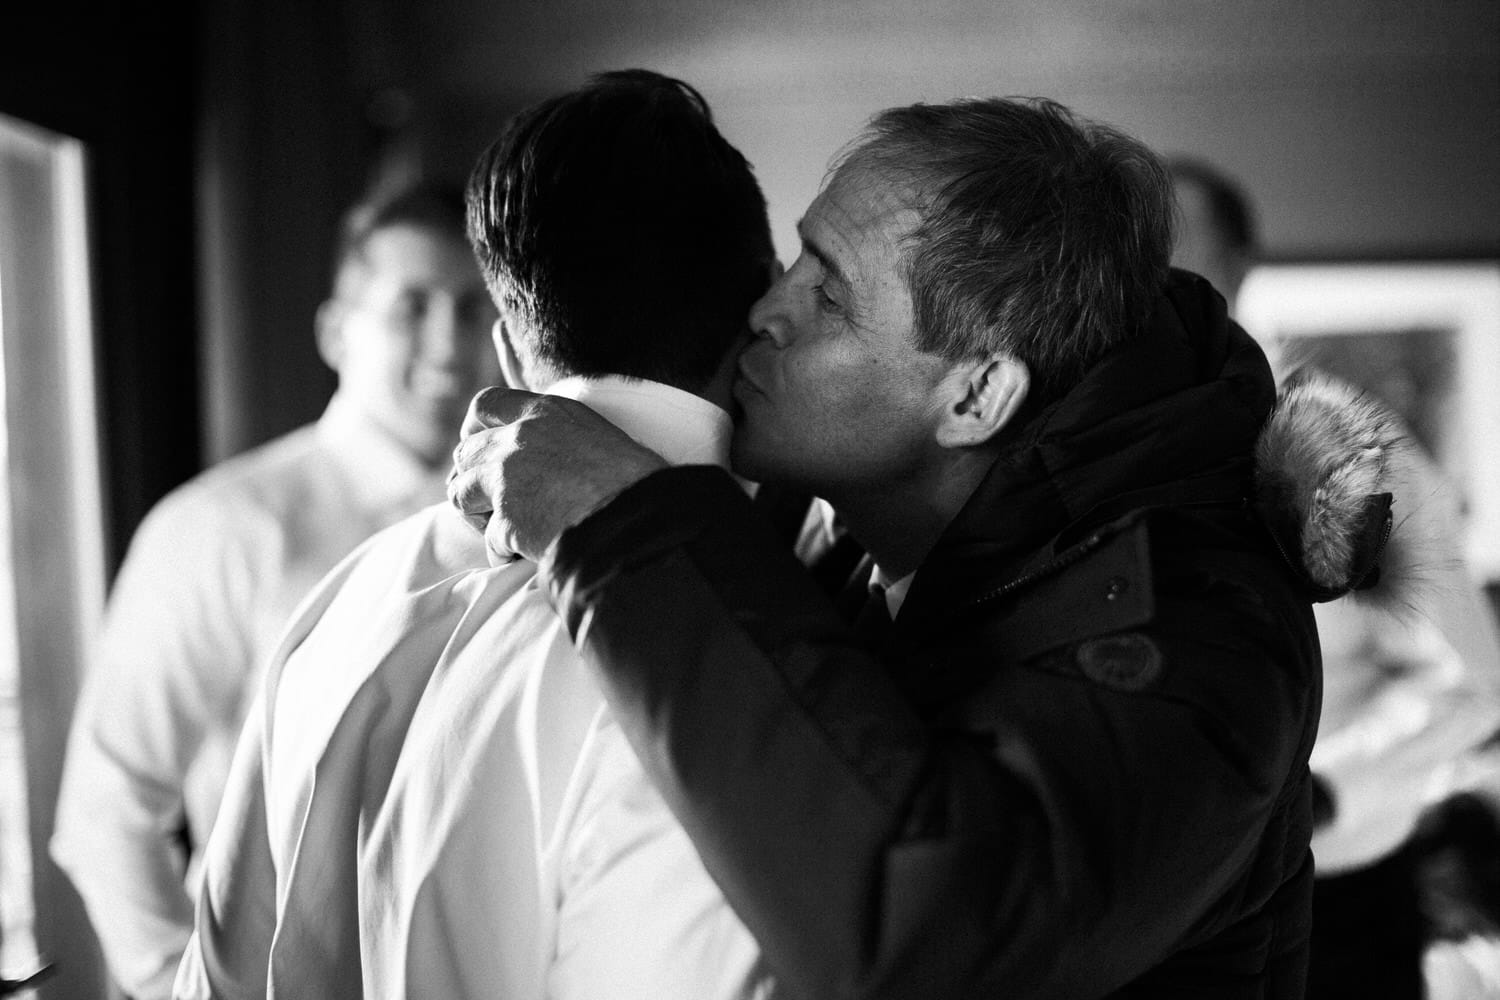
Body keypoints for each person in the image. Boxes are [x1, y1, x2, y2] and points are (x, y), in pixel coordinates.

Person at [448, 97, 1401, 997]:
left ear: (976, 398)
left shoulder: (1206, 642)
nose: (765, 311)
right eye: (795, 260)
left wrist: (620, 523)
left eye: (828, 296)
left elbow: (931, 941)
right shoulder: (842, 518)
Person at [173, 70, 778, 1000]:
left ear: (503, 346)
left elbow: (216, 974)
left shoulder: (344, 599)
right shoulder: (722, 672)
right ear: (763, 315)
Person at [51, 180, 501, 1000]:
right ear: (336, 331)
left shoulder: (516, 523)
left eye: (473, 308)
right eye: (413, 305)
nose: (448, 342)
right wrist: (176, 987)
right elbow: (106, 804)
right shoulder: (223, 528)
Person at [1169, 156, 1500, 999]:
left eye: (1176, 255)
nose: (1148, 287)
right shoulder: (1080, 467)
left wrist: (1320, 793)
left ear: (1239, 271)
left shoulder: (1353, 452)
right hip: (1159, 919)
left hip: (1335, 902)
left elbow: (1472, 682)